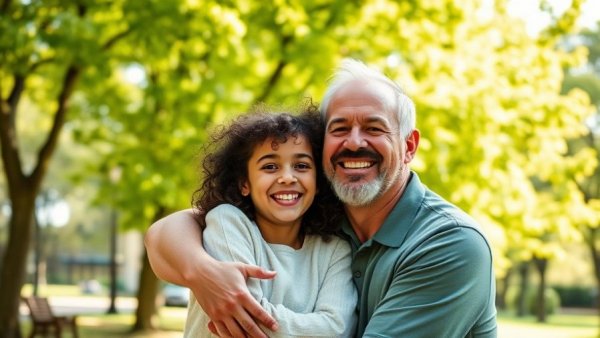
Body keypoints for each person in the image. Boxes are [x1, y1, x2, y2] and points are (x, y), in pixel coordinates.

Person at [146, 59, 497, 338]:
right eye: (339, 128)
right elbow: (175, 228)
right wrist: (203, 272)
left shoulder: (450, 244)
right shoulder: (321, 213)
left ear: (408, 146)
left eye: (374, 128)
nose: (354, 142)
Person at [180, 106, 357, 337]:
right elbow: (243, 319)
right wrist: (314, 326)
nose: (287, 177)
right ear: (245, 183)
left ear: (318, 181)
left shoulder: (334, 251)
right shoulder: (227, 222)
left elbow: (338, 330)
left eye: (301, 166)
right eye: (270, 167)